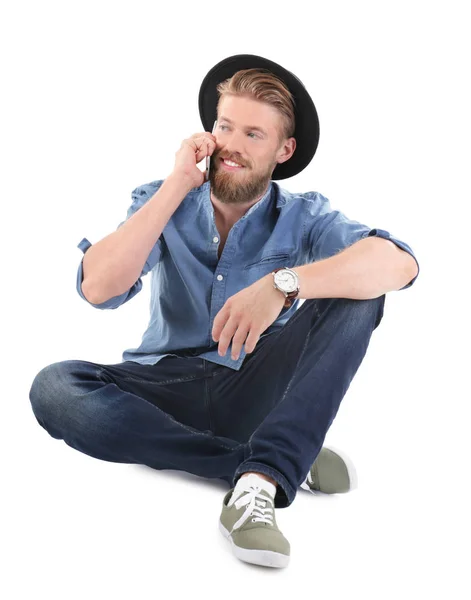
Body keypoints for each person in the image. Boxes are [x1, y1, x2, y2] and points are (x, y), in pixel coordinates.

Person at [29, 54, 420, 569]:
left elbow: (400, 264)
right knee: (55, 388)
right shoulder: (164, 199)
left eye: (253, 134)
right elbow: (99, 287)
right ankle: (269, 463)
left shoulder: (306, 216)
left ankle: (259, 483)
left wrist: (285, 284)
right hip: (166, 387)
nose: (232, 144)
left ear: (285, 149)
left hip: (257, 383)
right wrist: (176, 184)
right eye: (224, 126)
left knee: (360, 291)